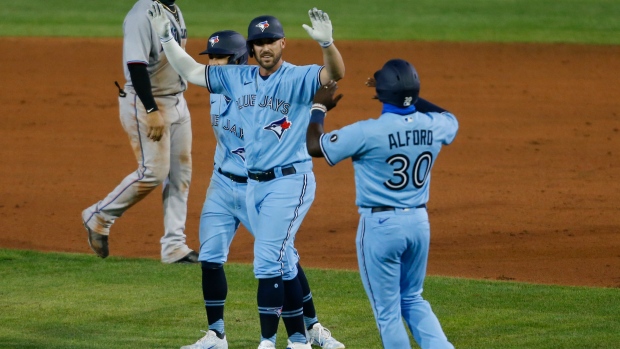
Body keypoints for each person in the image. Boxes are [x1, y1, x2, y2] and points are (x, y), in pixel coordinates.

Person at [147, 4, 345, 348]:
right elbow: (192, 70)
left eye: (271, 41)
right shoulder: (232, 81)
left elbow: (334, 74)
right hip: (235, 184)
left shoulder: (293, 78)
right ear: (251, 50)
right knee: (229, 258)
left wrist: (327, 45)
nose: (265, 47)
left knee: (279, 261)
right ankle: (219, 335)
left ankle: (302, 334)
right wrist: (166, 39)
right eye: (259, 42)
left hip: (280, 181)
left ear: (282, 44)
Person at [306, 59, 457, 349]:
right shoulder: (434, 126)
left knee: (387, 312)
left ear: (381, 95)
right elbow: (449, 117)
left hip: (381, 227)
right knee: (413, 298)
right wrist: (404, 94)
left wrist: (319, 108)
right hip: (419, 224)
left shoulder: (367, 132)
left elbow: (315, 145)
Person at [81, 0, 197, 264]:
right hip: (147, 101)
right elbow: (136, 65)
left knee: (181, 174)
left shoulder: (172, 9)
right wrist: (151, 109)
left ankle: (174, 247)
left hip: (177, 100)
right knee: (154, 172)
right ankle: (98, 216)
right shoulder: (141, 13)